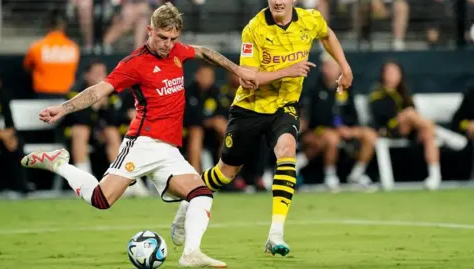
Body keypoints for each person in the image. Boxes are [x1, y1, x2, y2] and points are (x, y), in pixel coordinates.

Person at [21, 3, 257, 267]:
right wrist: (63, 108)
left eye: (173, 39)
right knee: (101, 199)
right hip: (142, 143)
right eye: (162, 38)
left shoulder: (177, 51)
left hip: (169, 150)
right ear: (149, 30)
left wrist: (238, 70)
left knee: (202, 194)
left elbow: (205, 52)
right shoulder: (134, 63)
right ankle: (60, 164)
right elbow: (99, 90)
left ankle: (191, 253)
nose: (168, 44)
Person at [172, 0, 353, 256]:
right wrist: (288, 70)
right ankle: (187, 200)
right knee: (225, 173)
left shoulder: (309, 19)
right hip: (250, 108)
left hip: (285, 106)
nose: (278, 1)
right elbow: (247, 78)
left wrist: (344, 66)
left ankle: (275, 232)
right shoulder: (254, 28)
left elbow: (327, 34)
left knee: (287, 149)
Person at [299, 53, 377, 192]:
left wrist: (348, 129)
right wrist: (336, 127)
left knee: (369, 134)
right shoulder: (313, 90)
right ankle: (330, 175)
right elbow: (315, 118)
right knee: (331, 137)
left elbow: (353, 115)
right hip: (318, 131)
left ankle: (357, 174)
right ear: (322, 68)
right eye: (327, 66)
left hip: (344, 130)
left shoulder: (347, 88)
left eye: (334, 66)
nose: (330, 70)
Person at [369, 61, 441, 190]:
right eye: (389, 72)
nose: (392, 76)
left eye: (396, 72)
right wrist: (403, 117)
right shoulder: (377, 94)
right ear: (383, 75)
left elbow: (415, 113)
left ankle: (435, 176)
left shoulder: (404, 93)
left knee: (427, 132)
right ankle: (440, 132)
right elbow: (380, 118)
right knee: (410, 114)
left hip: (410, 130)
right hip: (389, 130)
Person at [23, 10, 80, 99]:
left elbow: (27, 67)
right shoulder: (73, 47)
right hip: (66, 94)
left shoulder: (37, 46)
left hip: (42, 94)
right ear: (63, 26)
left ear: (47, 26)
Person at [0, 70, 31, 195]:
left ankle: (21, 185)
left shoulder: (3, 97)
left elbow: (10, 122)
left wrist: (9, 136)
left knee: (17, 143)